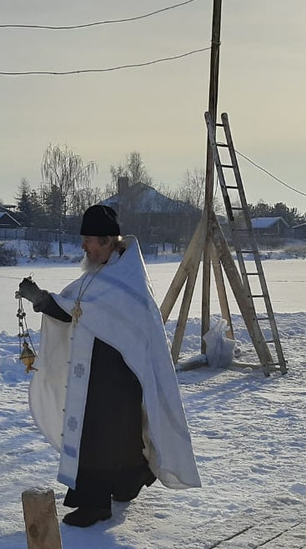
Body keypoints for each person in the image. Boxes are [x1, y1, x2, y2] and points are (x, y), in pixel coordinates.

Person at [19, 204, 201, 527]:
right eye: (84, 240)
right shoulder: (99, 273)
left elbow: (102, 316)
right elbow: (78, 309)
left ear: (108, 240)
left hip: (118, 376)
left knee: (100, 437)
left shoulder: (126, 278)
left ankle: (95, 505)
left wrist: (48, 302)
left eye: (89, 240)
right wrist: (42, 299)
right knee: (117, 437)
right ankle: (127, 482)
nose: (84, 247)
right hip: (96, 371)